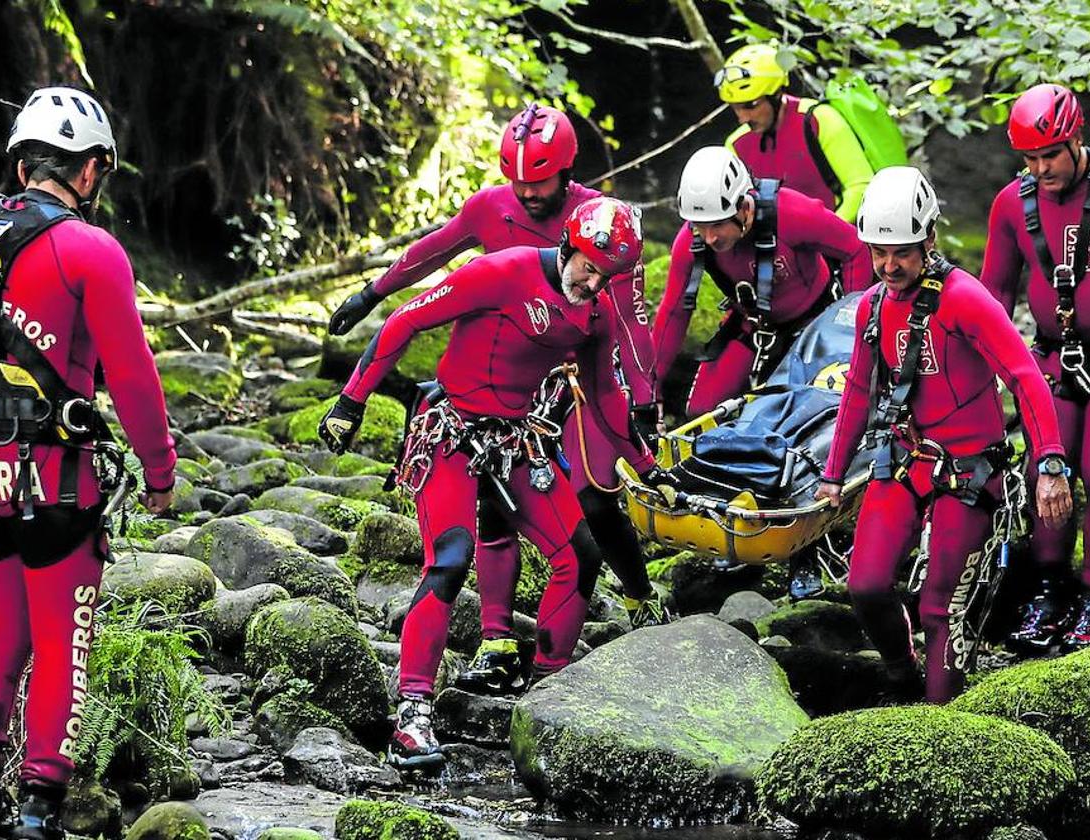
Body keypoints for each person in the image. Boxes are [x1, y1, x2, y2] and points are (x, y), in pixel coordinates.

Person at [318, 197, 670, 770]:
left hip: (515, 437)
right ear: (569, 245)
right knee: (451, 560)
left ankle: (549, 698)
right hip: (450, 430)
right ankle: (412, 713)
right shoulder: (500, 272)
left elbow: (606, 394)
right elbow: (406, 321)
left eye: (607, 276)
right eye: (588, 266)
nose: (594, 282)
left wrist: (647, 463)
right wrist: (350, 401)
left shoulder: (597, 315)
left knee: (580, 555)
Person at [331, 103, 666, 676]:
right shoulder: (493, 214)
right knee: (488, 514)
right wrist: (371, 294)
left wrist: (645, 398)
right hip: (490, 379)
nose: (528, 193)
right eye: (518, 180)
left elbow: (630, 321)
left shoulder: (604, 226)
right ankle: (494, 634)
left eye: (539, 180)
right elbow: (432, 255)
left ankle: (637, 597)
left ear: (565, 171)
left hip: (566, 370)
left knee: (593, 494)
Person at [0, 86, 176, 840]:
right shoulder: (90, 249)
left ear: (19, 165)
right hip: (53, 479)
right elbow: (134, 378)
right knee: (58, 639)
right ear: (87, 172)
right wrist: (160, 470)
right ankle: (42, 804)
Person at [815, 166, 1071, 703]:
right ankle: (900, 672)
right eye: (877, 253)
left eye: (901, 252)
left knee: (938, 606)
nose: (888, 266)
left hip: (971, 472)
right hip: (907, 461)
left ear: (928, 239)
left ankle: (939, 721)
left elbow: (1025, 378)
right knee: (863, 585)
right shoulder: (873, 307)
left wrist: (1049, 463)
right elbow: (859, 391)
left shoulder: (965, 298)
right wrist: (832, 475)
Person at [653, 146, 870, 598]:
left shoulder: (792, 213)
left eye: (717, 225)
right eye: (700, 226)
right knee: (703, 412)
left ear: (745, 206)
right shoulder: (691, 241)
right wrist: (648, 388)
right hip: (756, 328)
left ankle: (806, 551)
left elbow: (854, 251)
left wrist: (855, 324)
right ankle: (731, 520)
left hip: (820, 330)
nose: (709, 237)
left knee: (802, 435)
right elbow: (674, 312)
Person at [981, 83, 1090, 652]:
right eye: (1029, 158)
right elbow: (993, 297)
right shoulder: (1012, 204)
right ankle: (1050, 593)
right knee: (1044, 478)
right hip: (1053, 357)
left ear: (1076, 138)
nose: (1041, 169)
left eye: (1050, 154)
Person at [716, 44, 874, 222]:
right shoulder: (736, 144)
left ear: (776, 94)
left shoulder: (820, 119)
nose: (743, 118)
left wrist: (828, 233)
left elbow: (860, 186)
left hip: (833, 236)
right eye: (735, 108)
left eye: (751, 106)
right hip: (778, 246)